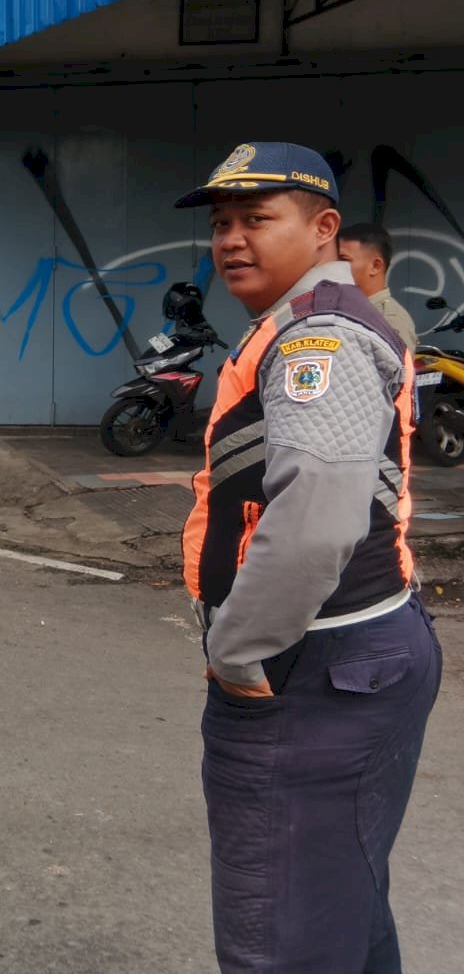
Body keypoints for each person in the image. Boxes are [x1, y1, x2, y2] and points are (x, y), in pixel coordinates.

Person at [175, 142, 441, 973]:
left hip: (314, 669)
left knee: (281, 937)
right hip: (355, 654)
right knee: (338, 909)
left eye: (258, 218)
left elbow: (319, 518)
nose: (232, 239)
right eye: (222, 223)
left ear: (325, 229)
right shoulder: (295, 324)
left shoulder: (315, 338)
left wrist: (239, 648)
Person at [338, 221, 419, 353]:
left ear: (375, 266)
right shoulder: (341, 307)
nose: (335, 266)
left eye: (343, 259)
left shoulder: (390, 321)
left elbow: (399, 372)